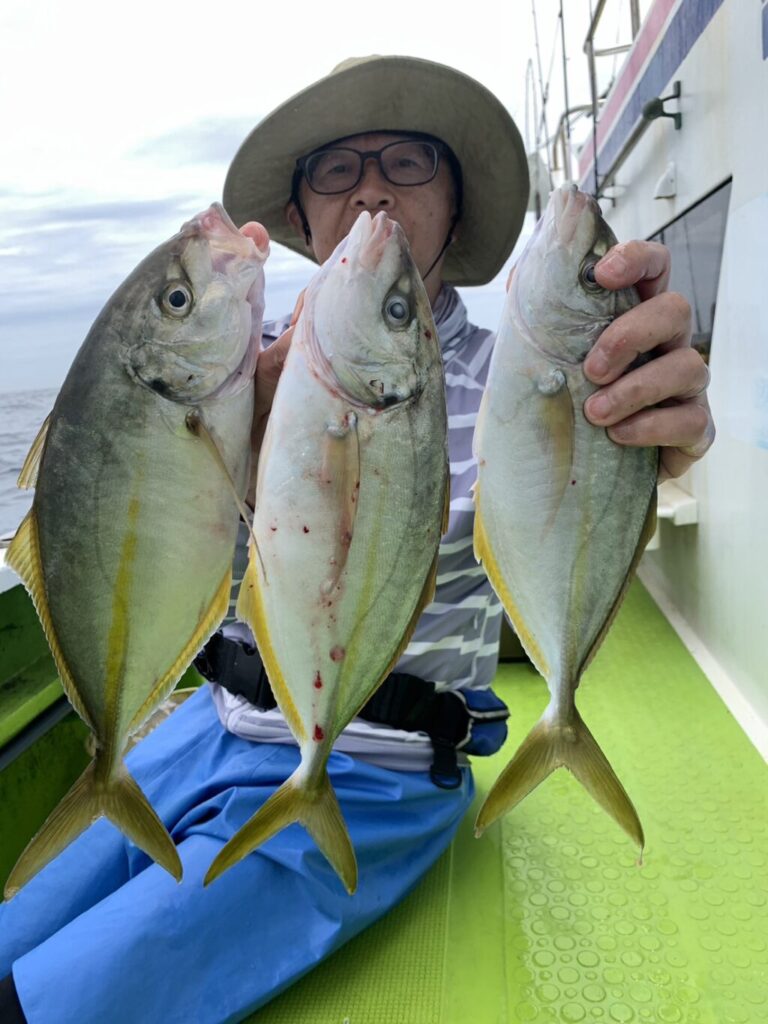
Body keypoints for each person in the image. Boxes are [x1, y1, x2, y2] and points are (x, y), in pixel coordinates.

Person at [0, 56, 714, 1024]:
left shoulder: (526, 376)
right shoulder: (228, 360)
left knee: (43, 1004)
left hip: (377, 775)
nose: (372, 188)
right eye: (336, 167)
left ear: (456, 208)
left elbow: (566, 487)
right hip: (205, 727)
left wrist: (640, 427)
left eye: (409, 160)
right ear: (301, 215)